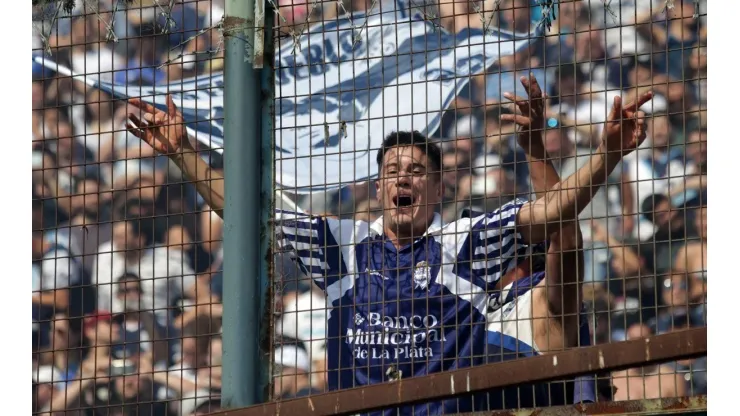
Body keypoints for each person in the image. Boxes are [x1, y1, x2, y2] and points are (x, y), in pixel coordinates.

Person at [125, 88, 651, 415]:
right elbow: (247, 215)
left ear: (439, 189)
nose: (403, 178)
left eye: (417, 171)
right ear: (378, 189)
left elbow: (554, 214)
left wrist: (607, 152)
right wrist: (183, 151)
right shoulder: (344, 245)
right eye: (392, 171)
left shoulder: (465, 244)